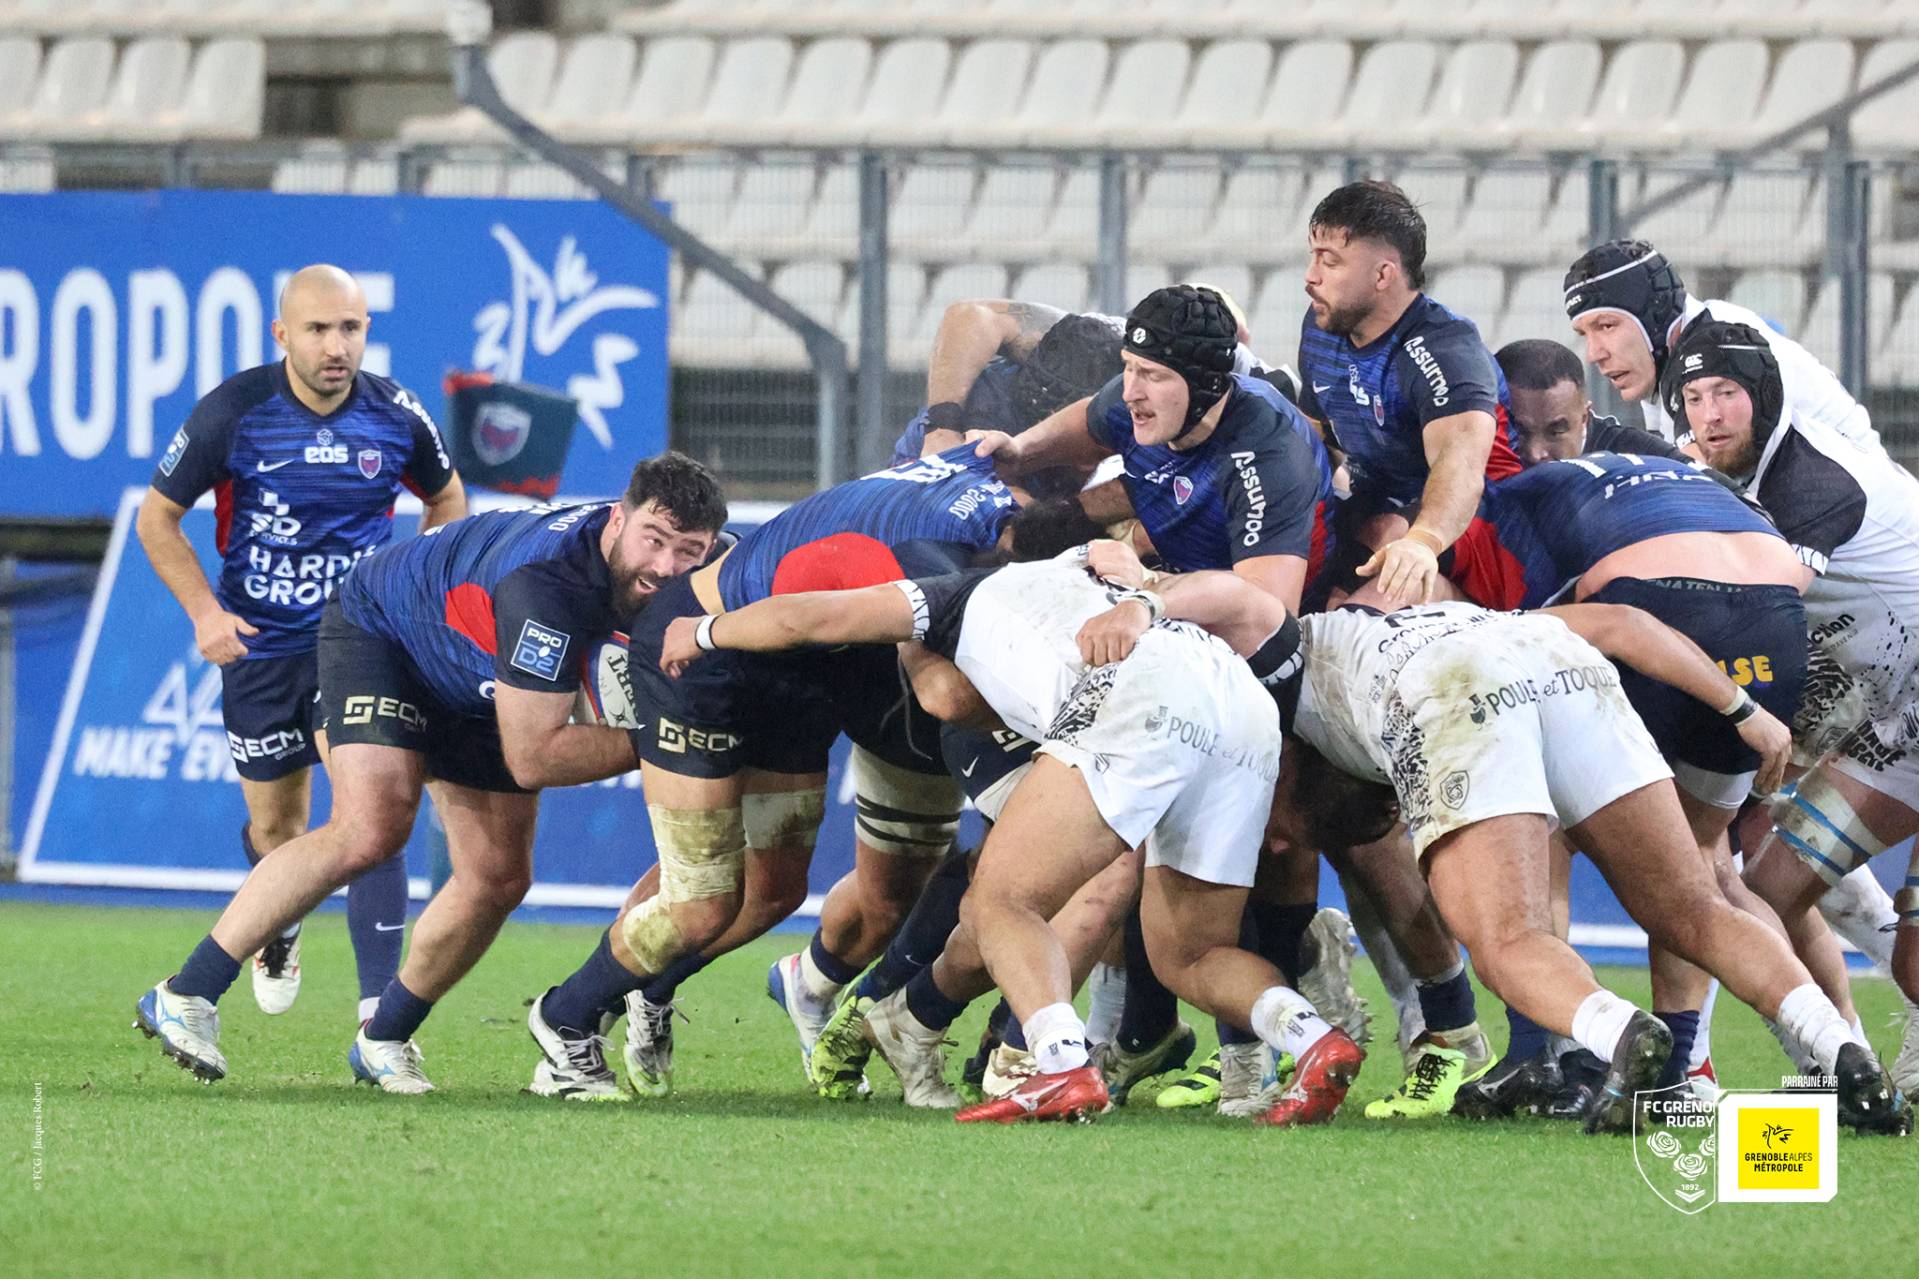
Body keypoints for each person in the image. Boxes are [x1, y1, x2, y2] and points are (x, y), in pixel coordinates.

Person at [1090, 545, 1910, 1136]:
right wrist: (1739, 710)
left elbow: (1245, 604)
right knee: (1692, 903)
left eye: (1269, 829)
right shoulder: (1469, 617)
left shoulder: (1290, 668)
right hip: (1550, 657)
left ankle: (1622, 1035)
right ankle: (1838, 1050)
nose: (1269, 842)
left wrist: (1146, 598)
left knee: (1508, 940)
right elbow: (1622, 621)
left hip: (1450, 696)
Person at [657, 547, 1377, 1127]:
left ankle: (1061, 1063)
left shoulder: (943, 598)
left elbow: (809, 620)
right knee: (1193, 951)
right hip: (1239, 706)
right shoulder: (1095, 563)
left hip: (1142, 688)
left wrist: (702, 630)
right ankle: (1311, 1038)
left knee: (1000, 901)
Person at [525, 445, 1105, 1100]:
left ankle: (645, 986)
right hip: (706, 648)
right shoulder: (936, 559)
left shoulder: (983, 475)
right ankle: (565, 1018)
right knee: (701, 895)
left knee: (772, 890)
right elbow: (938, 693)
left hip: (797, 667)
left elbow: (1003, 447)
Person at [133, 455, 726, 1093]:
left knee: (498, 878)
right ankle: (188, 991)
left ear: (712, 547)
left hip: (481, 676)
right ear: (617, 520)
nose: (666, 567)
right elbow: (535, 758)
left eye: (687, 551)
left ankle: (384, 1039)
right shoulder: (547, 586)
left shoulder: (712, 570)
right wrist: (663, 736)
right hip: (386, 634)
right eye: (653, 540)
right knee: (371, 828)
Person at [136, 263, 466, 1023]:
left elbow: (446, 498)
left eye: (349, 328)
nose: (335, 345)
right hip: (260, 648)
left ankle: (379, 1006)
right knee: (277, 827)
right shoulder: (235, 412)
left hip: (355, 643)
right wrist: (205, 614)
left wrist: (410, 588)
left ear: (366, 332)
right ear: (283, 334)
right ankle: (276, 923)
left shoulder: (396, 414)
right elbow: (158, 518)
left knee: (374, 805)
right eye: (317, 329)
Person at [1664, 319, 1919, 1099]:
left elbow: (1758, 617)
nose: (1709, 415)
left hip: (1893, 704)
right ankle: (1842, 1070)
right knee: (1766, 891)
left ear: (1764, 398)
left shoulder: (1811, 482)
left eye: (1727, 395)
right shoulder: (1728, 473)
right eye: (1695, 397)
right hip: (1895, 724)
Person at [1294, 179, 1521, 610]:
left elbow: (1461, 467)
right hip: (1376, 498)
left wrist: (1421, 541)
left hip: (1476, 518)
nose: (1311, 276)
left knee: (1351, 616)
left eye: (1331, 261)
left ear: (1383, 274)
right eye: (1313, 256)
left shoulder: (1445, 349)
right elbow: (1314, 437)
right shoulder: (1324, 327)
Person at [1563, 238, 1880, 451]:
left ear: (1656, 316)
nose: (1594, 354)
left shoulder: (1712, 357)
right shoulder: (1673, 353)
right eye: (1585, 334)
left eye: (1606, 326)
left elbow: (1698, 505)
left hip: (1860, 539)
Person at [1494, 338, 1689, 467]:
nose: (1535, 454)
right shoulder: (1468, 447)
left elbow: (1715, 488)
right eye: (1517, 432)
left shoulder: (1641, 458)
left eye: (1556, 432)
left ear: (1584, 418)